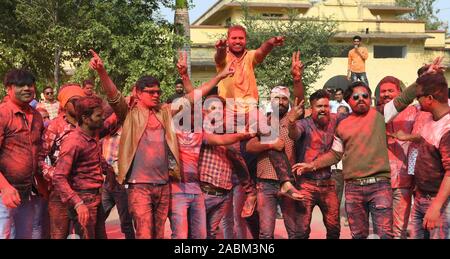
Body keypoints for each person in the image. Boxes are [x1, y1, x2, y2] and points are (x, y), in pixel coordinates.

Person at [89, 49, 235, 239]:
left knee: (158, 235)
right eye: (151, 92)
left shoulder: (165, 112)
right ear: (139, 93)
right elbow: (114, 95)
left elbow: (194, 96)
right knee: (144, 233)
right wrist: (102, 72)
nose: (156, 95)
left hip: (163, 185)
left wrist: (220, 76)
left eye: (158, 92)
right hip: (139, 185)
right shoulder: (130, 114)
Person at [390, 69, 449, 239]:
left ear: (430, 99)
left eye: (419, 97)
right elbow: (424, 142)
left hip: (439, 203)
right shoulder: (431, 119)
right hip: (422, 197)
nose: (417, 100)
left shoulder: (447, 129)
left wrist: (436, 207)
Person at [53, 96, 116, 239]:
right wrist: (78, 203)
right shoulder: (74, 142)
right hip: (83, 201)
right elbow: (59, 177)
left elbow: (94, 161)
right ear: (86, 119)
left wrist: (109, 171)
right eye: (99, 116)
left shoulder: (92, 136)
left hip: (95, 199)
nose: (103, 118)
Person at [288, 89, 344, 239]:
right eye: (319, 106)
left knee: (334, 229)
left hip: (328, 183)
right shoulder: (303, 124)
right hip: (306, 184)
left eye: (326, 106)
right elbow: (293, 134)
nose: (323, 110)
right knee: (302, 230)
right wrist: (291, 122)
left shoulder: (336, 120)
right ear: (311, 108)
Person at [246, 86, 299, 239]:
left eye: (284, 99)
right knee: (266, 233)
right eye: (277, 98)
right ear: (271, 100)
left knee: (295, 231)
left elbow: (300, 97)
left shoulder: (293, 120)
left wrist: (297, 80)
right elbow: (249, 146)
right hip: (265, 183)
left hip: (290, 181)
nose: (281, 102)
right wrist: (270, 145)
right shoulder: (262, 121)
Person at [0, 69, 44, 239]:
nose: (27, 88)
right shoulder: (3, 113)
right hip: (4, 194)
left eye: (30, 84)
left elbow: (37, 153)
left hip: (26, 193)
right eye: (20, 85)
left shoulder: (37, 116)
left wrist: (42, 186)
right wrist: (4, 188)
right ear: (8, 89)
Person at [39, 84, 85, 239]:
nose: (79, 105)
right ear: (65, 105)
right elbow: (40, 158)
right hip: (60, 192)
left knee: (86, 232)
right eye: (75, 101)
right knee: (59, 233)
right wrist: (56, 175)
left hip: (84, 190)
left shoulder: (87, 125)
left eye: (81, 101)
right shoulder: (55, 126)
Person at [377, 76, 418, 239]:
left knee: (399, 229)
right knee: (382, 229)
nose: (386, 94)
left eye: (390, 90)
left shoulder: (415, 112)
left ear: (400, 92)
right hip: (381, 180)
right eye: (383, 91)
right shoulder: (376, 114)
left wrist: (407, 137)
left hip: (404, 180)